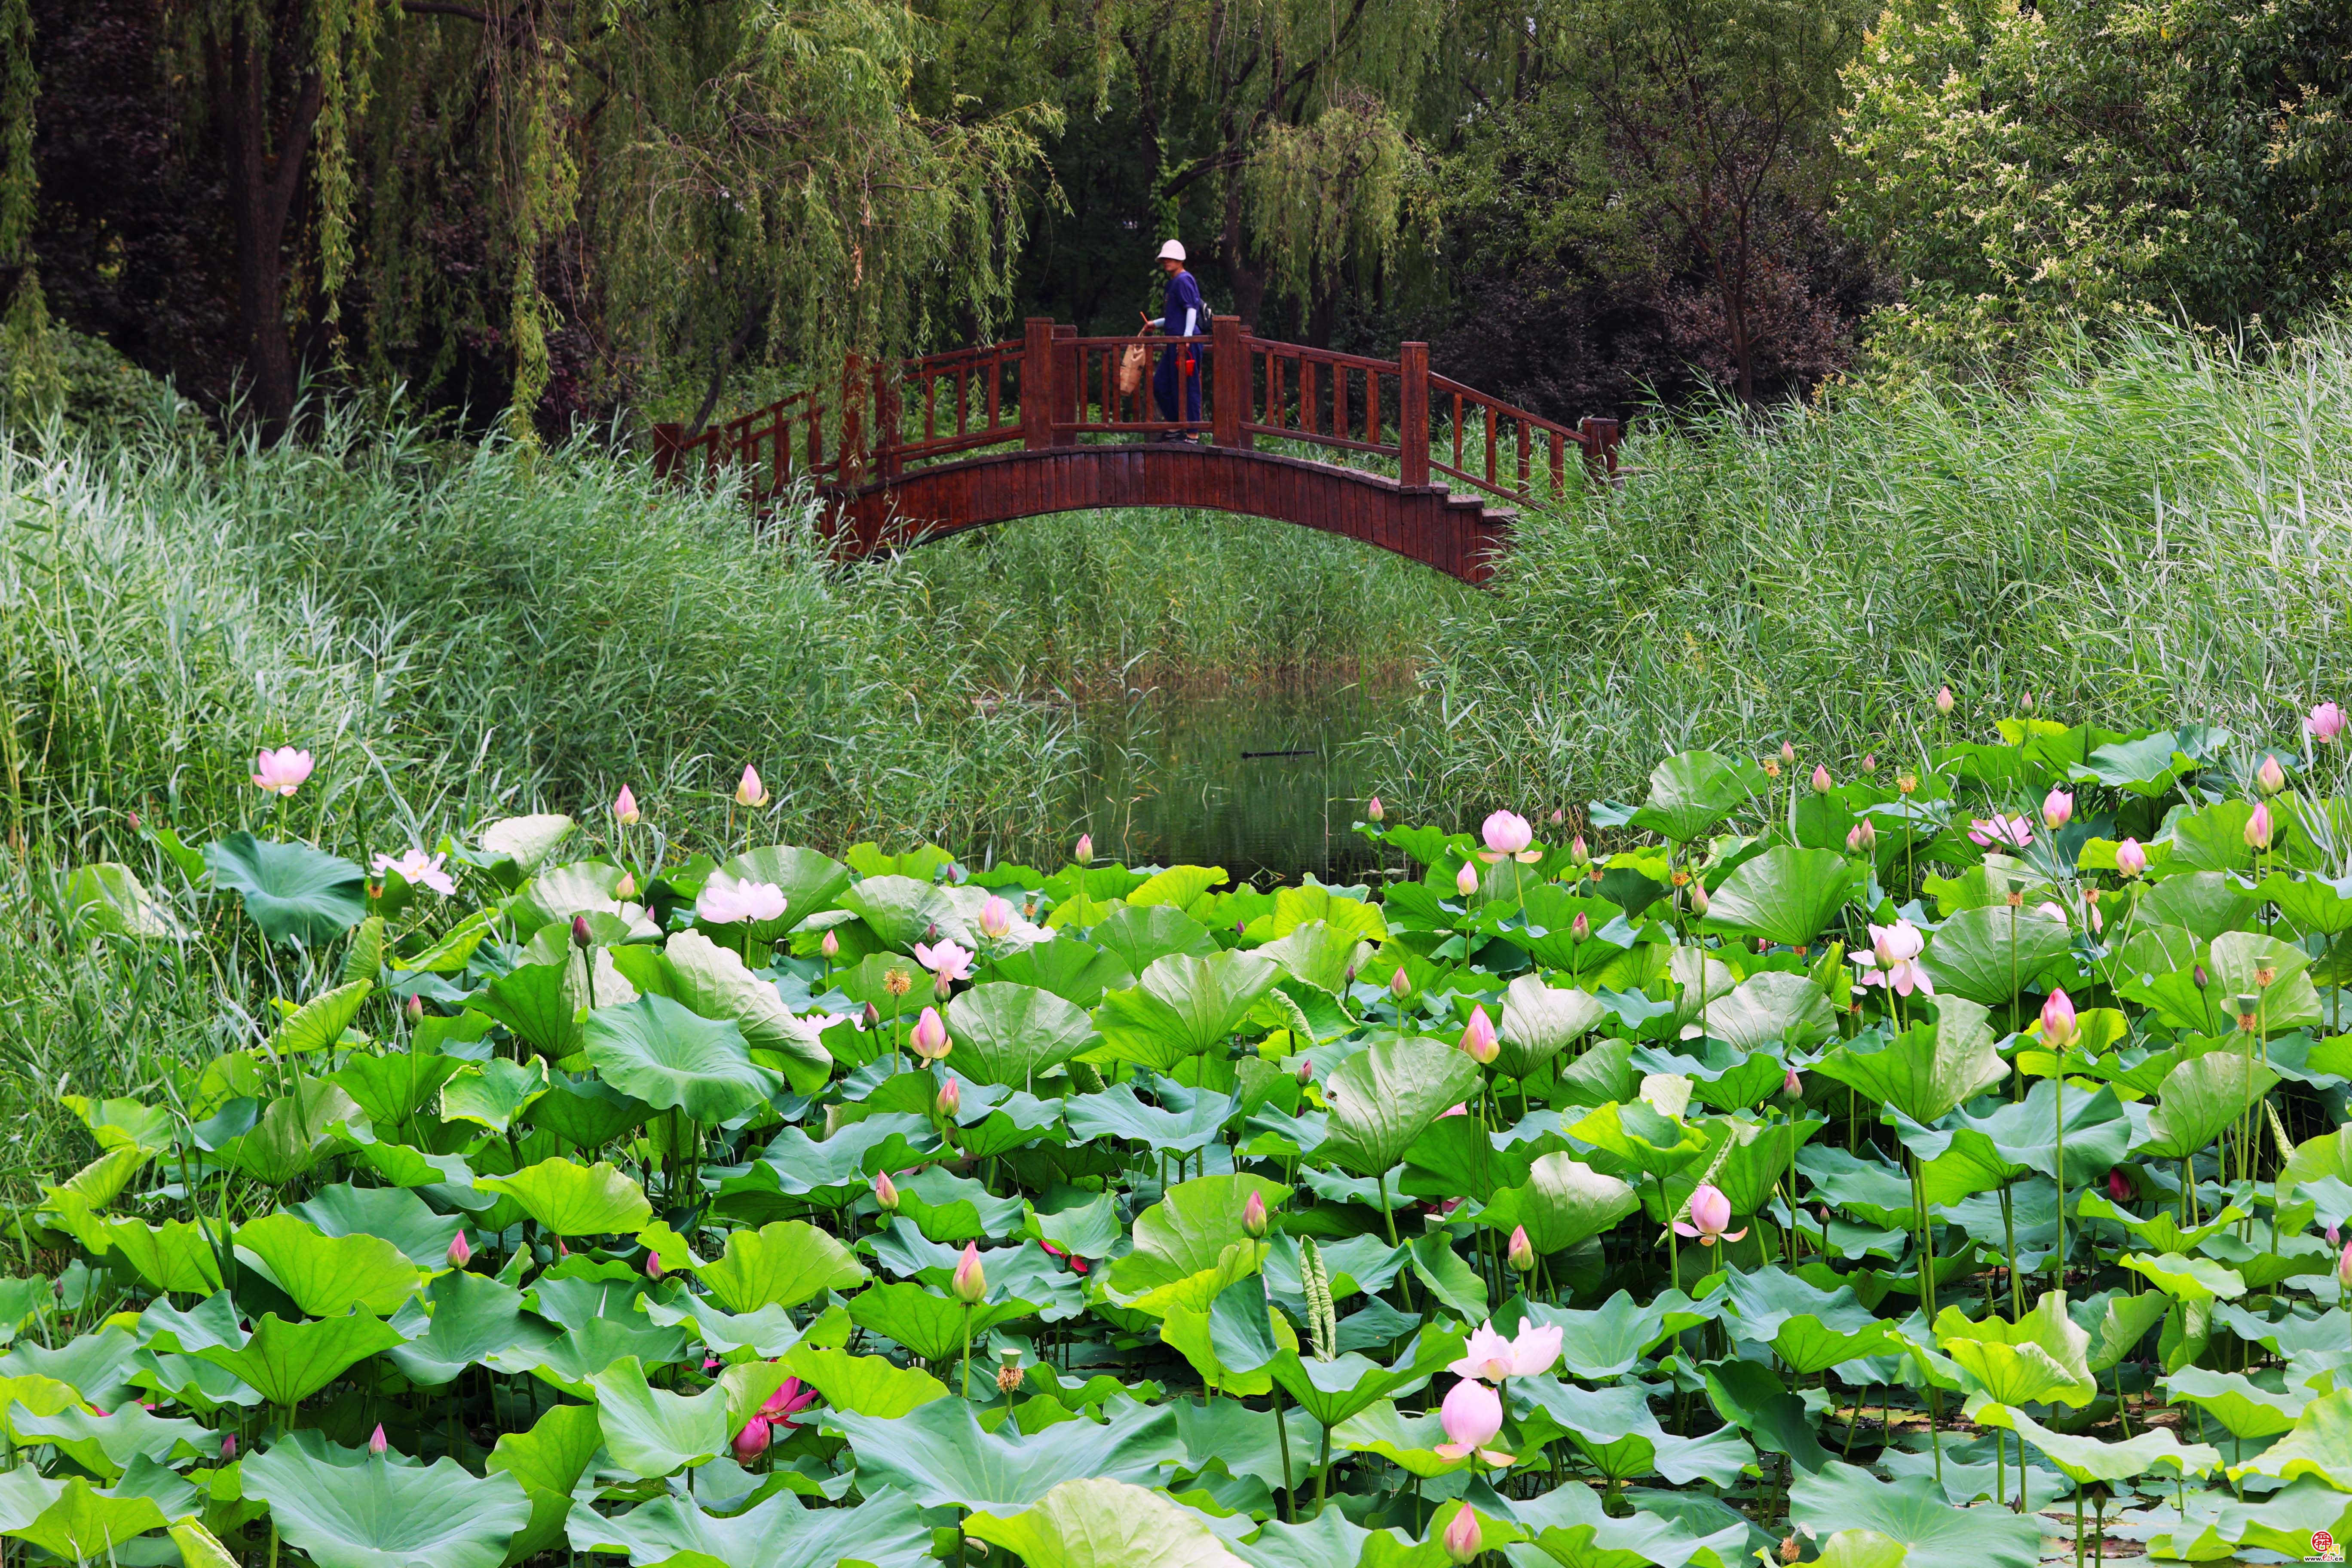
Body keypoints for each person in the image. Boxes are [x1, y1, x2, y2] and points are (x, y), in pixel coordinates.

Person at [1140, 239, 1205, 439]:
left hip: (1185, 343)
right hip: (1175, 342)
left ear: (1181, 259)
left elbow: (1192, 310)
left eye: (1172, 257)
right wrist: (1156, 324)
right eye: (1165, 258)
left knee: (1189, 386)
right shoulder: (1173, 283)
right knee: (1161, 384)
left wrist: (1186, 340)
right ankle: (1177, 423)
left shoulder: (1184, 280)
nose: (1168, 261)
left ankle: (1193, 435)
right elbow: (1176, 316)